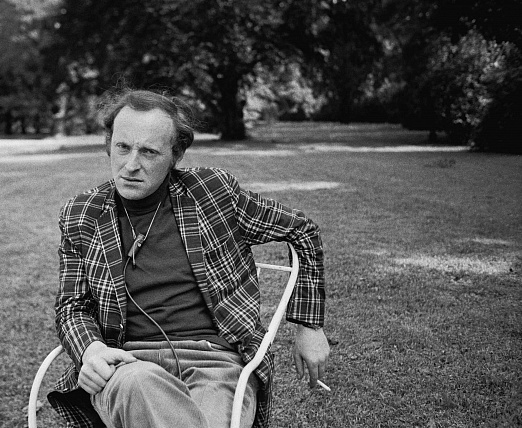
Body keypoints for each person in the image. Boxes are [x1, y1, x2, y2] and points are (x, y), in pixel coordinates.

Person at [48, 89, 329, 428]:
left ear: (175, 155)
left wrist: (309, 325)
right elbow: (72, 306)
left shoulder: (212, 193)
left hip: (216, 365)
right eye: (122, 147)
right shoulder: (82, 214)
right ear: (109, 144)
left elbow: (302, 230)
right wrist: (91, 350)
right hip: (128, 365)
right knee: (138, 383)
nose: (131, 165)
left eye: (149, 151)